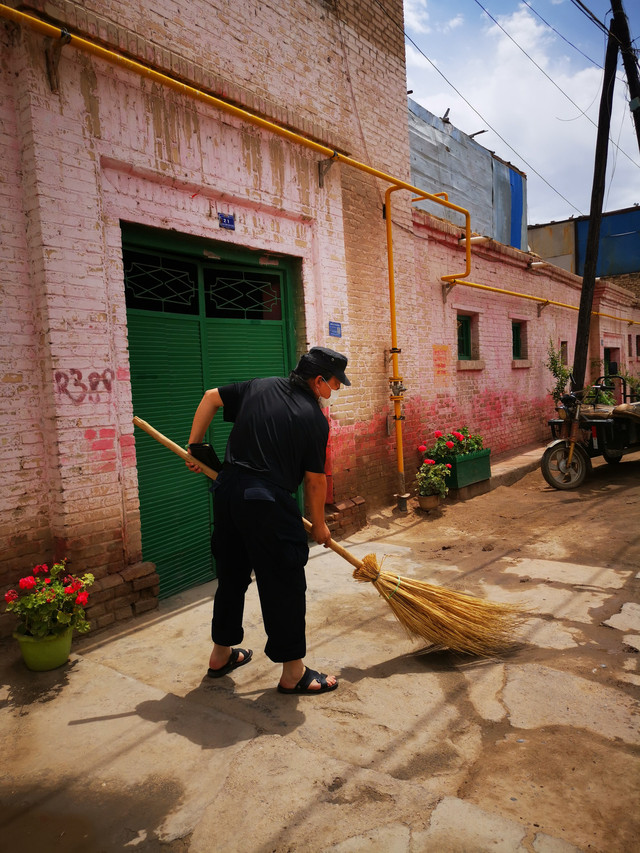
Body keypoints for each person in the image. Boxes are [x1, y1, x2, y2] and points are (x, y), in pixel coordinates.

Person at [186, 346, 351, 695]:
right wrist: (319, 524)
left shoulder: (259, 386)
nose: (335, 390)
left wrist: (195, 447)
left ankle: (221, 655)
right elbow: (315, 480)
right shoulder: (313, 419)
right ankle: (293, 673)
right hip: (266, 503)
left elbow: (210, 397)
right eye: (335, 383)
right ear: (318, 381)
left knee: (231, 577)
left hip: (227, 493)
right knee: (284, 583)